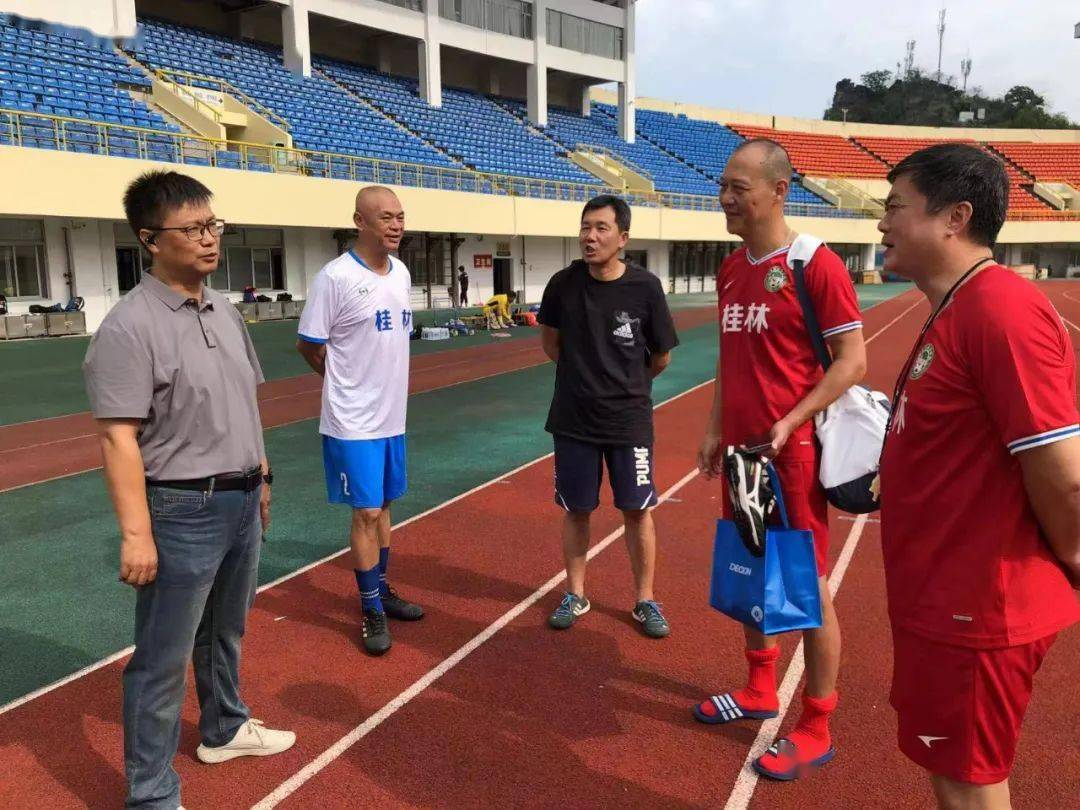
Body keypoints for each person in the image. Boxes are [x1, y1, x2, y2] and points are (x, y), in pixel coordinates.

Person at [83, 170, 294, 808]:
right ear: (150, 239)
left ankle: (223, 728)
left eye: (214, 226)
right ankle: (151, 794)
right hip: (181, 508)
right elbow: (118, 439)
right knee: (161, 657)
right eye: (194, 229)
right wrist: (137, 534)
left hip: (238, 498)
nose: (210, 239)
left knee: (225, 631)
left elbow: (246, 404)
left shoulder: (224, 310)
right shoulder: (128, 328)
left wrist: (261, 473)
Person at [877, 143, 1080, 809]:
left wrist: (1075, 554)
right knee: (956, 775)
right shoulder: (960, 306)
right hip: (946, 597)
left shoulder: (999, 311)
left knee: (969, 786)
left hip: (977, 605)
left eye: (894, 209)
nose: (881, 225)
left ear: (954, 218)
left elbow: (1064, 475)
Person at [694, 139, 867, 781]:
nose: (725, 198)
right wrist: (716, 427)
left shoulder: (813, 263)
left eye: (739, 187)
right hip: (742, 456)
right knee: (749, 576)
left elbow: (854, 361)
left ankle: (818, 722)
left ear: (778, 190)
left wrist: (793, 418)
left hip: (790, 457)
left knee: (806, 592)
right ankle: (760, 690)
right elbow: (728, 356)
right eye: (723, 185)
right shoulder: (731, 267)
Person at [539, 194, 679, 639]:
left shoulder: (645, 288)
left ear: (623, 238)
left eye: (600, 228)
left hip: (628, 421)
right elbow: (551, 344)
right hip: (573, 419)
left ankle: (645, 599)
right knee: (577, 510)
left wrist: (626, 386)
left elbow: (661, 356)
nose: (590, 236)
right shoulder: (563, 284)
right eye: (585, 227)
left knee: (636, 511)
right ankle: (575, 592)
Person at [296, 186, 423, 657]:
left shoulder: (402, 272)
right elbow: (310, 343)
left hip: (393, 416)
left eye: (400, 217)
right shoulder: (335, 278)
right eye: (385, 217)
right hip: (352, 420)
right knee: (366, 512)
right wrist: (342, 382)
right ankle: (368, 606)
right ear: (360, 222)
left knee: (386, 506)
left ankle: (382, 589)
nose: (396, 225)